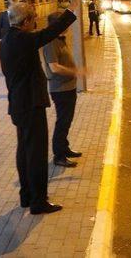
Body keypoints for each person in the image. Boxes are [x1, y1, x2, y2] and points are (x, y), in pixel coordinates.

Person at [0, 0, 77, 215]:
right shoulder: (22, 40)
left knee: (24, 151)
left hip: (18, 104)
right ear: (25, 21)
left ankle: (26, 196)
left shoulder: (6, 40)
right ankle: (38, 201)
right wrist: (71, 11)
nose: (36, 23)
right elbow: (49, 33)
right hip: (30, 104)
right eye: (34, 19)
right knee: (36, 154)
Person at [42, 12, 82, 168]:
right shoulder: (50, 42)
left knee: (67, 121)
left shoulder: (60, 40)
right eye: (65, 24)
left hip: (68, 87)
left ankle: (64, 149)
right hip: (61, 89)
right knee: (62, 122)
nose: (68, 27)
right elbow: (54, 67)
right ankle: (59, 155)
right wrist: (76, 72)